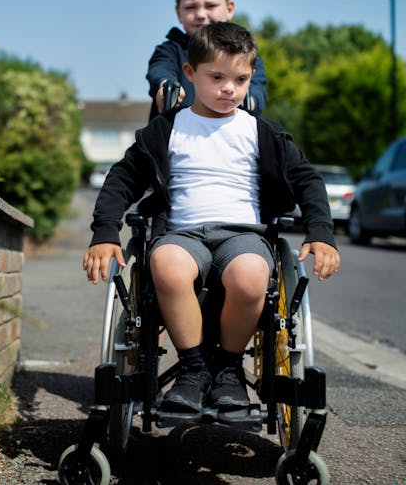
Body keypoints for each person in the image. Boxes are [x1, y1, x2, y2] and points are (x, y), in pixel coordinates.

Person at [84, 21, 339, 414]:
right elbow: (122, 179)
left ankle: (228, 369)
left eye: (240, 79)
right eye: (216, 77)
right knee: (164, 264)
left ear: (251, 76)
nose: (228, 88)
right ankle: (193, 369)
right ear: (190, 74)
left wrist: (320, 233)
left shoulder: (262, 133)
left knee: (252, 275)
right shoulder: (166, 130)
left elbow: (307, 179)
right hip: (184, 234)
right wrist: (105, 233)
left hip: (244, 234)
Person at [147, 0, 267, 119]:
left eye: (210, 6)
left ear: (229, 9)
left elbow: (257, 94)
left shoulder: (245, 54)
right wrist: (167, 88)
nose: (200, 14)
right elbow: (160, 71)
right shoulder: (169, 50)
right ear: (178, 12)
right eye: (191, 7)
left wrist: (247, 102)